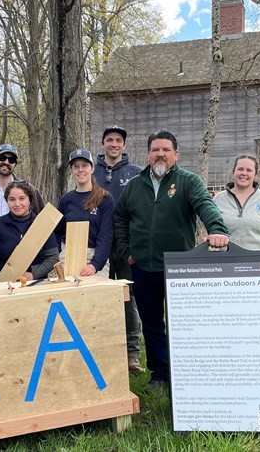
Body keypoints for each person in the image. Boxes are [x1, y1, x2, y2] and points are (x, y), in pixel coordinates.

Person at [113, 131, 229, 390]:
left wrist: (217, 228)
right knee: (152, 325)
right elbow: (120, 218)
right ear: (148, 154)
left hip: (179, 266)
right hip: (142, 267)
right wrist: (126, 251)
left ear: (176, 154)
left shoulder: (189, 182)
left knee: (182, 325)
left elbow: (205, 205)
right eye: (155, 149)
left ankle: (188, 373)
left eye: (166, 149)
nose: (160, 154)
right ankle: (160, 374)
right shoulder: (134, 185)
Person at [93, 125, 145, 375]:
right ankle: (101, 350)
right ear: (103, 144)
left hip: (127, 246)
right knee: (98, 301)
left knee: (128, 298)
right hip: (99, 248)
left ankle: (131, 354)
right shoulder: (90, 173)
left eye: (118, 140)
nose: (114, 144)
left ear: (124, 146)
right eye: (109, 140)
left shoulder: (136, 174)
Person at [0, 181, 59, 283]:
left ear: (29, 200)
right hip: (3, 287)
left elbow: (53, 258)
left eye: (22, 198)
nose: (17, 204)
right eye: (12, 199)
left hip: (36, 285)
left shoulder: (42, 225)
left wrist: (33, 274)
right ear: (7, 201)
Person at [55, 149, 114, 276]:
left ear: (92, 169)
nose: (80, 170)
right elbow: (58, 232)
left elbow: (106, 235)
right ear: (72, 171)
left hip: (93, 257)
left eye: (85, 165)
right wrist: (59, 255)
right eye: (76, 167)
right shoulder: (66, 200)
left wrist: (95, 264)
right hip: (68, 257)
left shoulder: (105, 199)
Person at [213, 154, 260, 250]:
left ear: (255, 174)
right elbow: (210, 230)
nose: (244, 173)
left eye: (249, 170)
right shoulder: (219, 199)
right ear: (233, 171)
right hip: (227, 261)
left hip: (258, 261)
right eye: (240, 169)